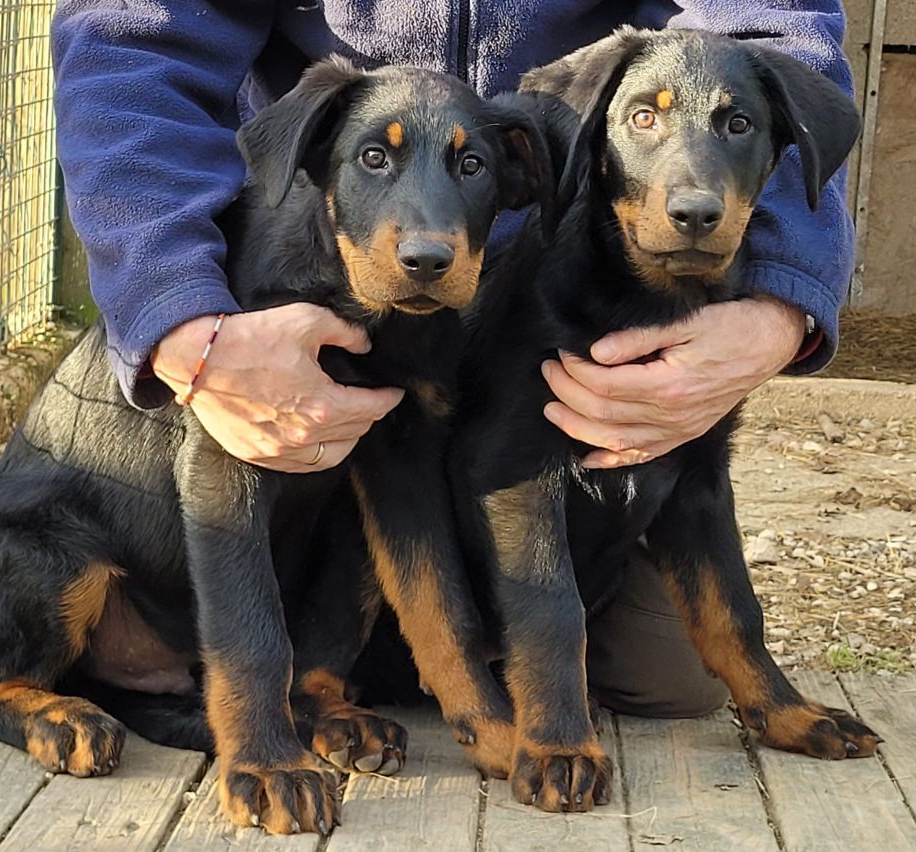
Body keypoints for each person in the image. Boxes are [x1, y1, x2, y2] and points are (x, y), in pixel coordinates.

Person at [51, 1, 855, 716]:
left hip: (567, 277)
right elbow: (132, 42)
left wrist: (779, 301)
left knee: (669, 682)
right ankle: (318, 682)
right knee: (281, 551)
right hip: (326, 298)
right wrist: (184, 318)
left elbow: (768, 37)